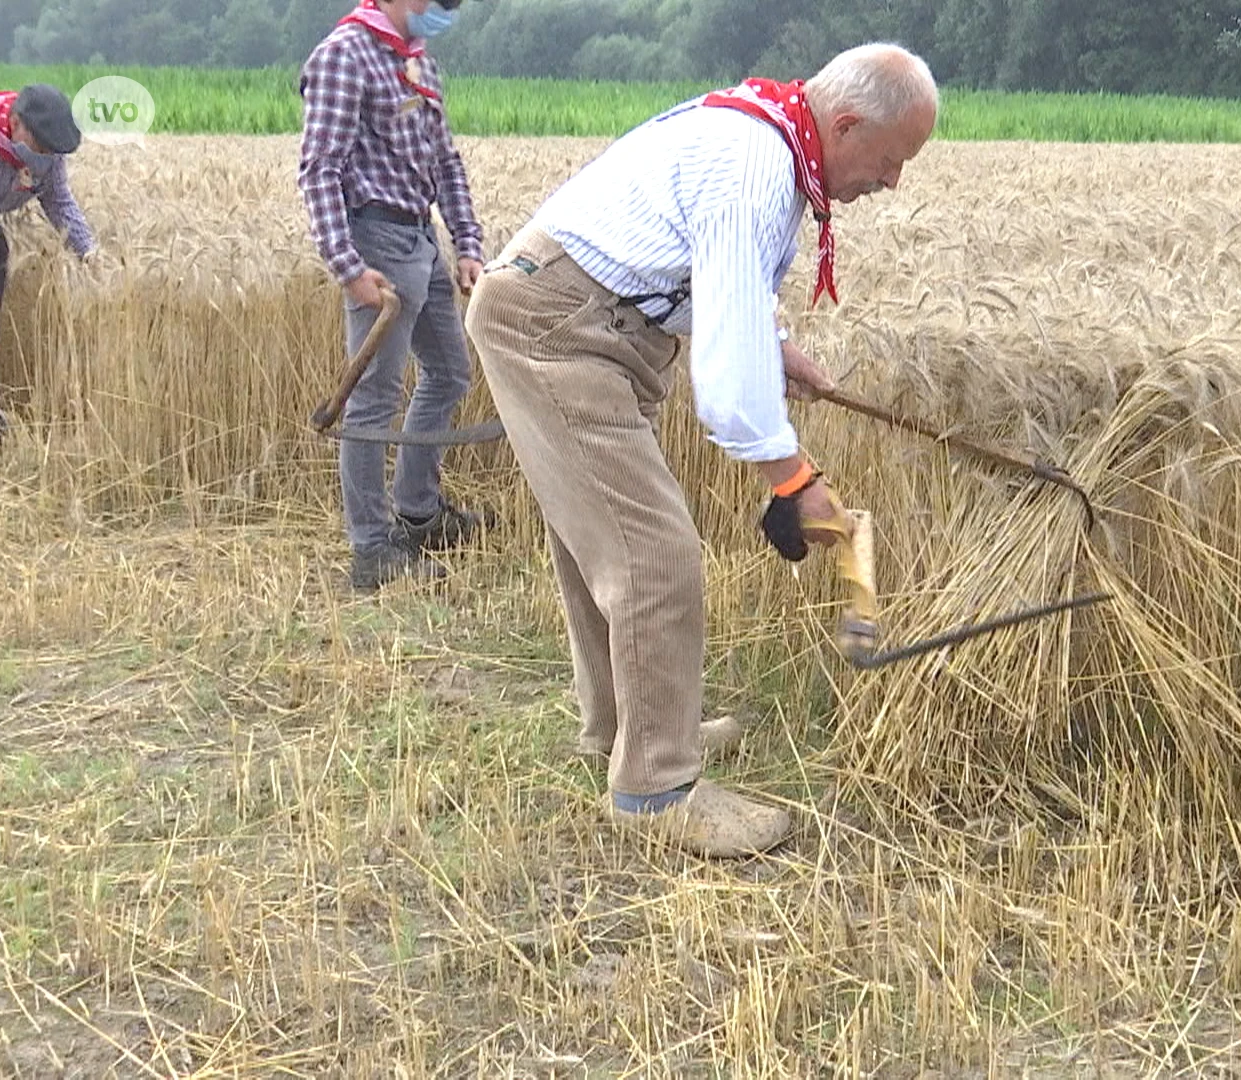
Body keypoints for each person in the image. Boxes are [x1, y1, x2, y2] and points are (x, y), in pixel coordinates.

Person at [464, 42, 939, 859]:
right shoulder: (754, 167)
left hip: (591, 325)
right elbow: (724, 386)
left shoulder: (769, 141)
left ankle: (627, 728)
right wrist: (793, 479)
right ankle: (655, 788)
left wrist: (772, 341)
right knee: (655, 556)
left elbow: (724, 287)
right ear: (849, 123)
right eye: (892, 160)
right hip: (558, 330)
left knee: (600, 542)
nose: (891, 182)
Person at [297, 0, 492, 592]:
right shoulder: (343, 56)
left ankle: (418, 513)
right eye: (440, 4)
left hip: (422, 238)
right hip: (374, 242)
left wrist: (466, 242)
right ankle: (372, 549)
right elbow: (319, 169)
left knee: (450, 373)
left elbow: (446, 162)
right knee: (373, 402)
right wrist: (347, 266)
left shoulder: (419, 64)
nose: (444, 14)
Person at [0, 83, 96, 438]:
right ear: (14, 122)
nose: (44, 155)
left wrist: (89, 254)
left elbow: (58, 204)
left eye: (51, 150)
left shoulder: (48, 156)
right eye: (38, 145)